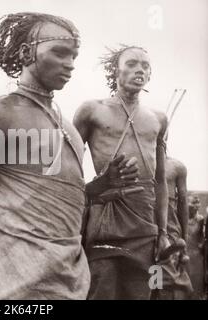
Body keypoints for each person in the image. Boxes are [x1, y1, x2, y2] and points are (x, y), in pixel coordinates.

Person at [0, 12, 138, 300]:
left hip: (69, 278)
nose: (69, 64)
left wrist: (99, 187)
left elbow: (54, 201)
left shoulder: (69, 127)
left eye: (74, 57)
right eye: (60, 53)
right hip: (13, 282)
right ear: (26, 52)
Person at [73, 45, 170, 299]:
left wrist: (163, 233)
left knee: (140, 291)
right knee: (101, 288)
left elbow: (160, 181)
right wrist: (93, 190)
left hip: (144, 222)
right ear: (114, 69)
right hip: (106, 219)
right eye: (131, 63)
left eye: (145, 66)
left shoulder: (158, 118)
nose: (139, 69)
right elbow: (66, 167)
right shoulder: (92, 110)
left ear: (150, 75)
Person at [152, 157, 192, 299]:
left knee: (169, 271)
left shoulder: (177, 166)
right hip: (143, 218)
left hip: (169, 224)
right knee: (150, 268)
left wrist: (185, 236)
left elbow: (183, 201)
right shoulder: (139, 160)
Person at [187, 195, 205, 299]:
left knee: (197, 284)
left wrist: (201, 245)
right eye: (193, 202)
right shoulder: (180, 216)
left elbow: (203, 237)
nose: (197, 205)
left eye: (198, 202)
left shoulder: (201, 219)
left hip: (197, 256)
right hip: (184, 254)